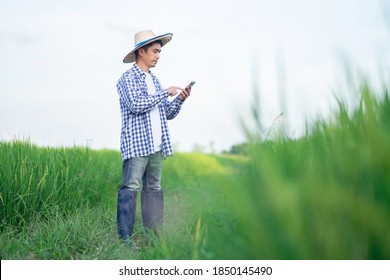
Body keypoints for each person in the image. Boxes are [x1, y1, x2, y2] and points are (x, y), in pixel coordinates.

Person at [116, 30, 191, 241]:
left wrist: (180, 99)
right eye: (155, 51)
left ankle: (154, 236)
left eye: (159, 52)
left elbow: (165, 113)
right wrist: (164, 93)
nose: (158, 55)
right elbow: (136, 104)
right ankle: (125, 239)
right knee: (130, 187)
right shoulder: (127, 78)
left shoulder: (155, 81)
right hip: (137, 146)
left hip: (157, 146)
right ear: (141, 51)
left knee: (154, 188)